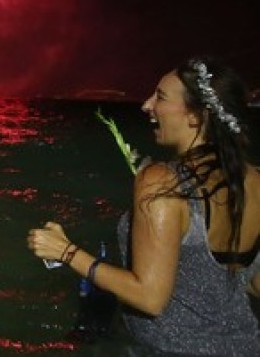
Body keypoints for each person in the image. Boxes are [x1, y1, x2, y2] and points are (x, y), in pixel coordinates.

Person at [27, 56, 260, 355]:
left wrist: (67, 252)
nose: (146, 105)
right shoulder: (254, 180)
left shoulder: (162, 181)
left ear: (196, 116)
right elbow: (253, 282)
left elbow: (149, 297)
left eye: (160, 97)